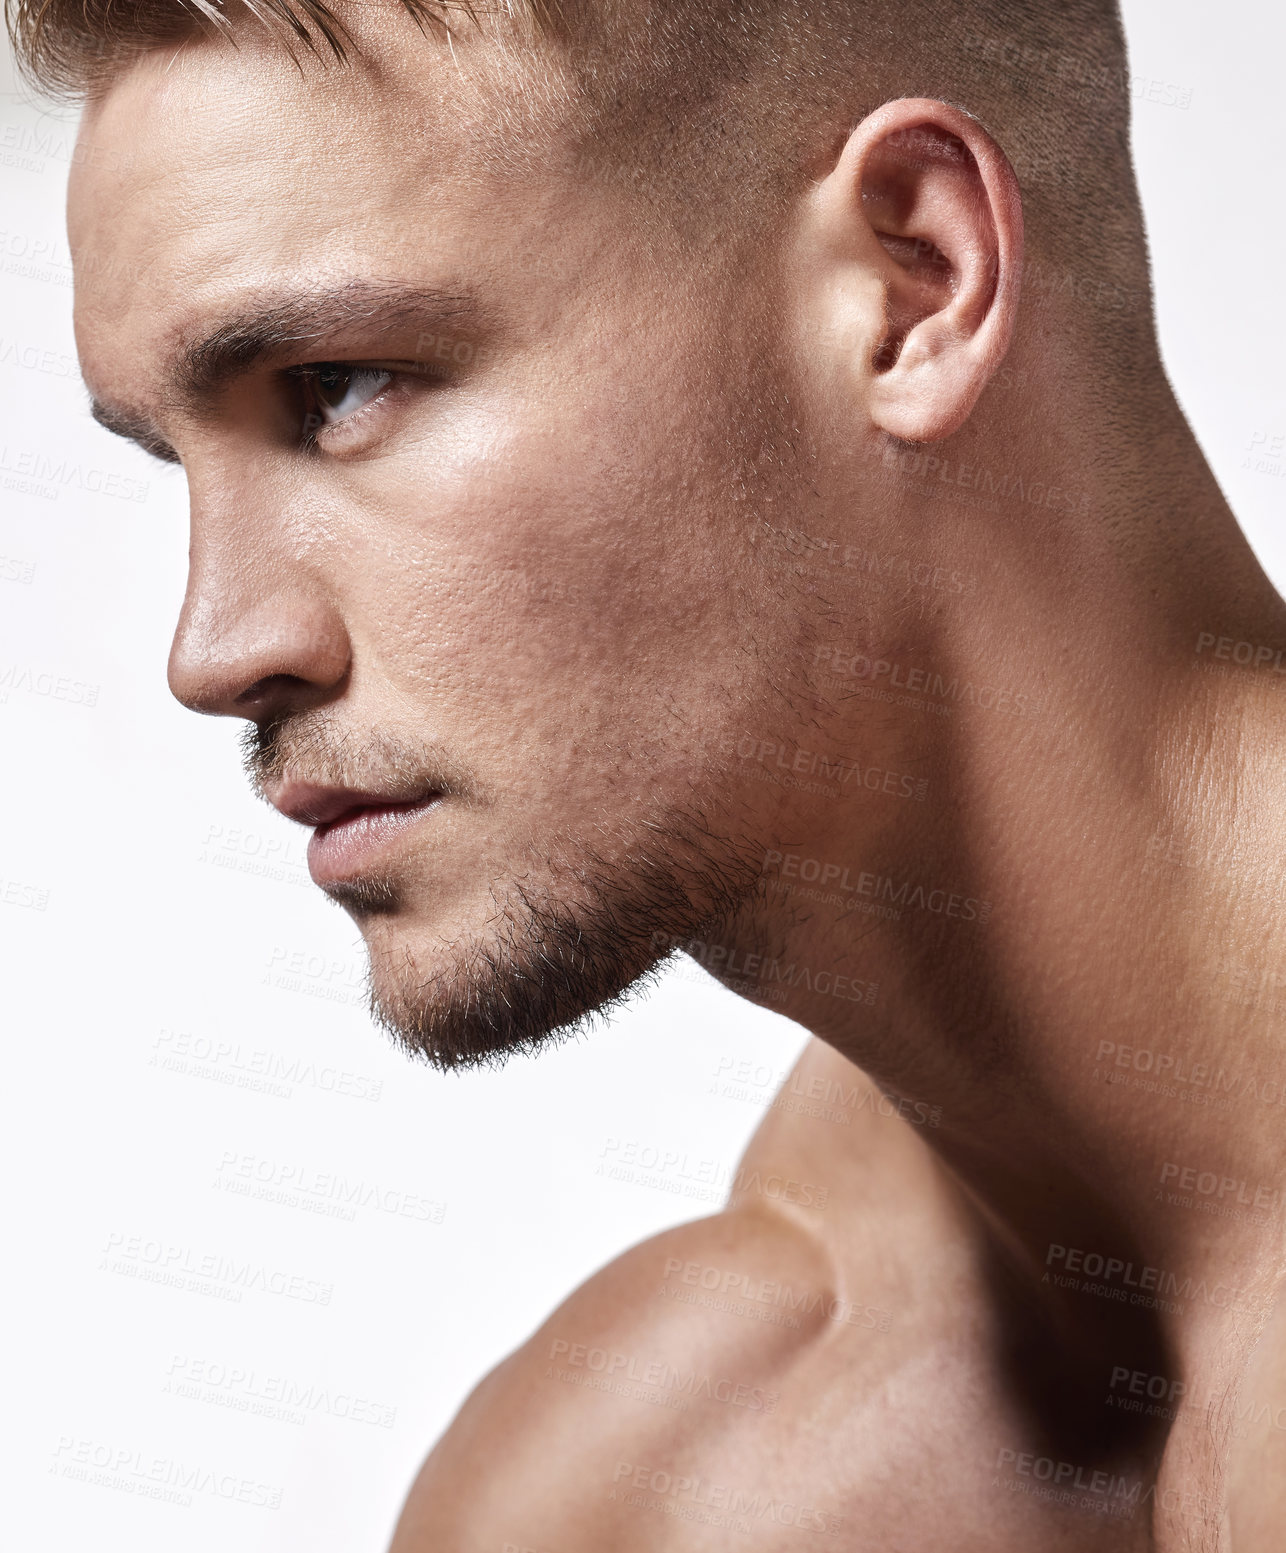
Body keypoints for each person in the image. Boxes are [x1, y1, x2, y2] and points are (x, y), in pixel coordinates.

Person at [9, 0, 1285, 1544]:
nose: (215, 647)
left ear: (912, 283)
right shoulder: (650, 1480)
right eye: (174, 457)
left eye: (338, 389)